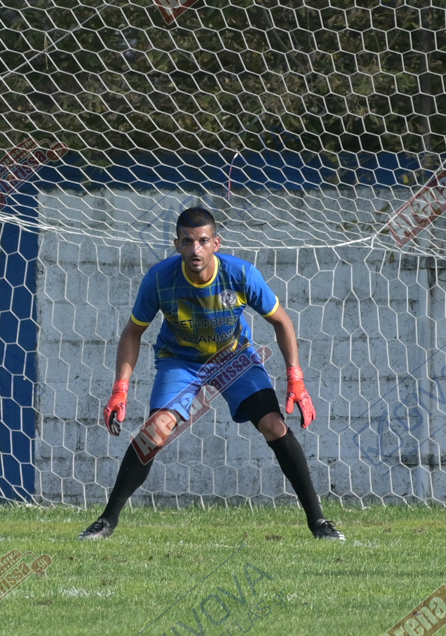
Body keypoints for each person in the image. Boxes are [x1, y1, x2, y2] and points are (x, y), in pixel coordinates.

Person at [80, 207, 345, 541]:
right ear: (177, 244)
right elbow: (132, 332)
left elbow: (282, 322)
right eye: (188, 241)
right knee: (154, 433)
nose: (196, 249)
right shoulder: (159, 279)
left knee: (274, 425)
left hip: (234, 358)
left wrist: (296, 379)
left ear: (216, 243)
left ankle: (319, 522)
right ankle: (106, 521)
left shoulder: (241, 274)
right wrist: (120, 388)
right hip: (181, 361)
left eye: (203, 241)